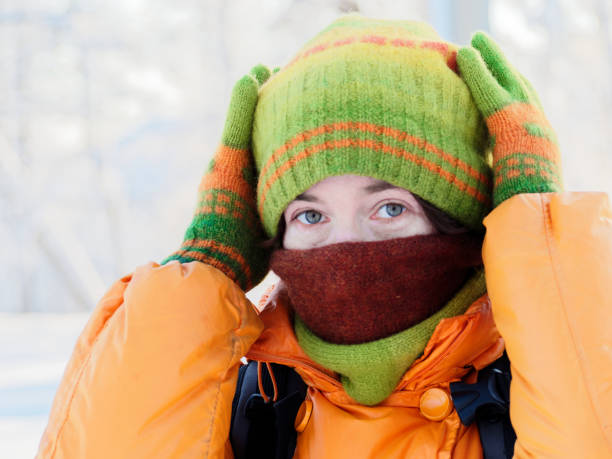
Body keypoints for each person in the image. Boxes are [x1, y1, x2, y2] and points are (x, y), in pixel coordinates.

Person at [37, 14, 612, 458]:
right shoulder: (250, 406)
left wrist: (539, 237)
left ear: (460, 221)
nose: (347, 250)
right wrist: (207, 266)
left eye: (389, 207)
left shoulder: (533, 389)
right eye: (310, 216)